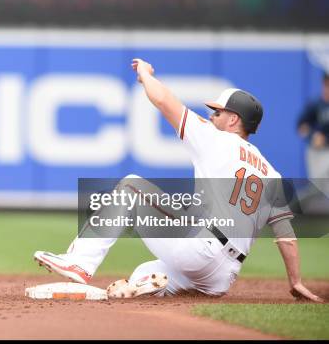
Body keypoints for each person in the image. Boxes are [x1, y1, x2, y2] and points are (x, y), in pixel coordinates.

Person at [34, 58, 323, 302]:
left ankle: (80, 263)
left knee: (131, 187)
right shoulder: (271, 172)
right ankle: (146, 285)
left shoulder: (216, 139)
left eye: (218, 112)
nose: (211, 116)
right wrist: (295, 281)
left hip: (200, 250)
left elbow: (162, 99)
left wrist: (145, 74)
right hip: (223, 276)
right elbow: (285, 235)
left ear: (233, 120)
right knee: (147, 271)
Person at [297, 71, 329, 207]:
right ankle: (291, 207)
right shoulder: (316, 105)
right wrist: (313, 136)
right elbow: (301, 127)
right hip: (317, 153)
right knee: (318, 187)